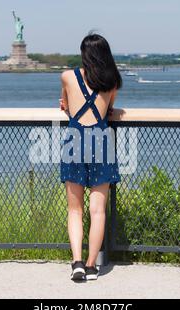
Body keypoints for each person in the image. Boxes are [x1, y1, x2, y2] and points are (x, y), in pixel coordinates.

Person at [59, 33, 122, 281]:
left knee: (75, 209)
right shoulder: (112, 81)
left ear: (83, 54)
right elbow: (110, 109)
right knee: (98, 210)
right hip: (101, 140)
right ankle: (92, 265)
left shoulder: (67, 77)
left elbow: (65, 105)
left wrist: (67, 105)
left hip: (75, 139)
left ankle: (76, 262)